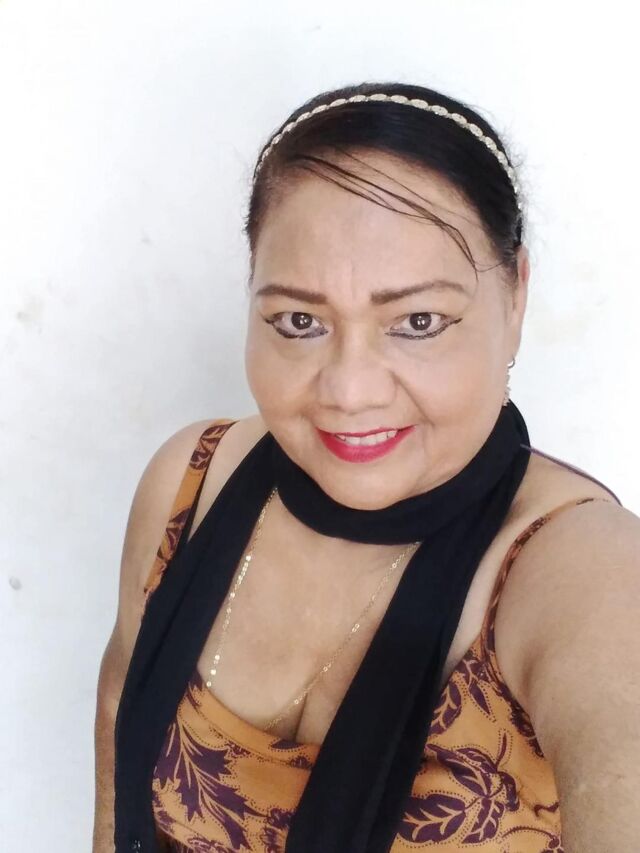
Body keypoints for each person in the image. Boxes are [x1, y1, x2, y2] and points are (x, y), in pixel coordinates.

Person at [93, 82, 640, 853]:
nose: (349, 392)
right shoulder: (190, 483)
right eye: (299, 321)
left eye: (417, 321)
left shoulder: (586, 574)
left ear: (516, 297)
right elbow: (118, 730)